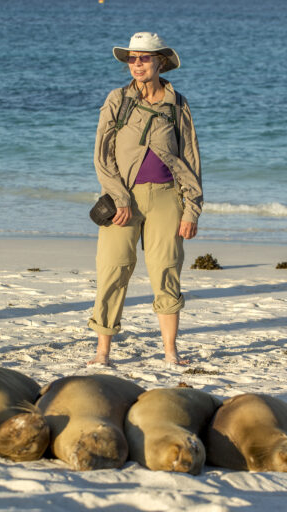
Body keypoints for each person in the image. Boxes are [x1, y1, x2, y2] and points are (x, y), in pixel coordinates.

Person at [88, 32, 203, 366]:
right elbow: (102, 155)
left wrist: (192, 208)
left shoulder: (178, 103)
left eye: (144, 58)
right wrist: (120, 197)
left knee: (166, 271)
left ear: (160, 62)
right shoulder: (117, 100)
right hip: (122, 199)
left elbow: (191, 157)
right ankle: (103, 352)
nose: (136, 64)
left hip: (168, 199)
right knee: (113, 270)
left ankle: (170, 352)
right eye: (132, 58)